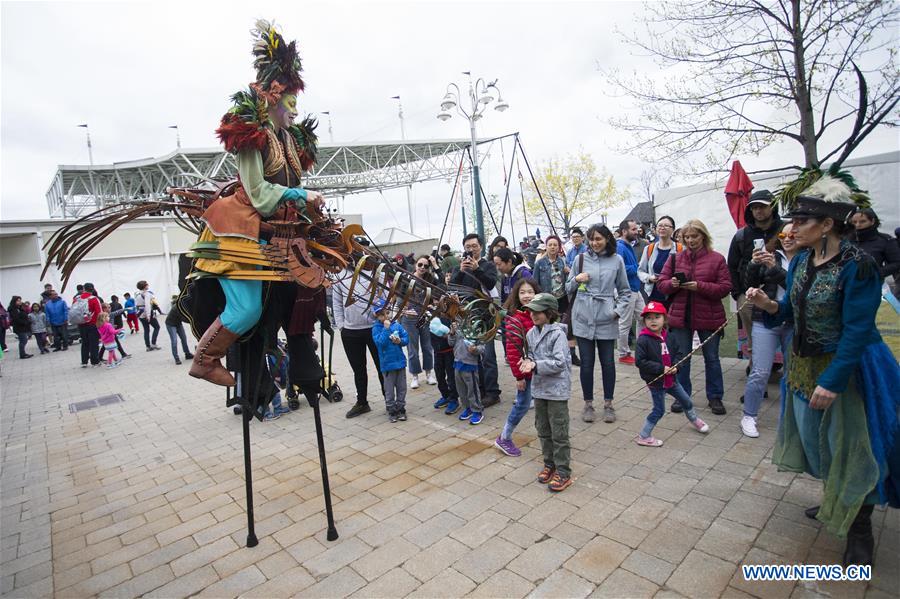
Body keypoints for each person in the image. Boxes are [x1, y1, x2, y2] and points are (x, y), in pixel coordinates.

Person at [746, 175, 900, 567]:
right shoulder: (800, 261)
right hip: (802, 368)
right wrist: (767, 303)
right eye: (792, 220)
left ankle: (860, 530)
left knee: (852, 448)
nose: (791, 228)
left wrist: (833, 382)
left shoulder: (858, 267)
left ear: (828, 224)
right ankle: (836, 496)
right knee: (820, 445)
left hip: (848, 372)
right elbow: (791, 314)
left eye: (802, 220)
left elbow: (858, 330)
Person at [185, 20, 325, 388]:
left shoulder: (290, 139)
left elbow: (292, 185)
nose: (296, 109)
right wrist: (299, 195)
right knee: (246, 310)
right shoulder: (255, 135)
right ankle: (205, 358)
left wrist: (309, 206)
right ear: (275, 96)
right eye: (292, 101)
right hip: (240, 231)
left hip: (278, 232)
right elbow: (260, 193)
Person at [656, 220, 733, 415]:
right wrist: (672, 284)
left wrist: (700, 286)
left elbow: (725, 287)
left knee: (712, 358)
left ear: (703, 236)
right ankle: (682, 396)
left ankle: (715, 397)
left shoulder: (717, 259)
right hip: (681, 317)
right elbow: (661, 284)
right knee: (682, 359)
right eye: (687, 237)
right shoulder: (675, 259)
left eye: (694, 236)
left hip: (709, 316)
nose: (690, 240)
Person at [567, 224, 631, 424]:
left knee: (608, 364)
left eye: (599, 239)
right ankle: (588, 404)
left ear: (607, 239)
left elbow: (625, 292)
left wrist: (616, 312)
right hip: (583, 317)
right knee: (586, 364)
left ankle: (608, 403)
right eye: (592, 239)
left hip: (606, 318)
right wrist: (577, 279)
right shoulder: (580, 259)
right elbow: (567, 288)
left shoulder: (617, 260)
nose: (595, 243)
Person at [738, 222, 798, 437]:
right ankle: (749, 416)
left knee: (793, 373)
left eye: (793, 234)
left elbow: (798, 288)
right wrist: (754, 264)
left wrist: (775, 269)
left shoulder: (809, 260)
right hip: (766, 320)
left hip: (794, 322)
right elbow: (750, 283)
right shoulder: (772, 254)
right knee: (760, 371)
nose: (788, 238)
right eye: (783, 234)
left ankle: (793, 417)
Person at [518, 293, 573, 492]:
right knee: (542, 428)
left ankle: (564, 471)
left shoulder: (558, 334)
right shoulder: (531, 333)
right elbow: (531, 354)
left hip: (557, 391)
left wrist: (535, 364)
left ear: (549, 312)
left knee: (559, 431)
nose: (533, 314)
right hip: (539, 389)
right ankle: (549, 464)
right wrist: (526, 361)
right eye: (531, 310)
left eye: (538, 310)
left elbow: (560, 363)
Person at [635, 301, 709, 447]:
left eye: (657, 317)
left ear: (665, 319)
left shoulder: (670, 336)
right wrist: (661, 369)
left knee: (686, 401)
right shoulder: (643, 340)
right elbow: (640, 362)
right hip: (656, 383)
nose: (653, 320)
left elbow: (680, 353)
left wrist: (676, 366)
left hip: (672, 379)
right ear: (644, 321)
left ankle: (695, 420)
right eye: (649, 318)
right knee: (658, 410)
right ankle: (644, 436)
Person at [727, 190, 784, 362]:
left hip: (781, 290)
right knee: (754, 336)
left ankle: (779, 366)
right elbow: (732, 265)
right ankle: (756, 368)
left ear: (772, 207)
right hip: (749, 293)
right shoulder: (742, 235)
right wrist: (738, 294)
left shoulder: (785, 230)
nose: (758, 211)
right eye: (754, 208)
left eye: (762, 206)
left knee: (784, 332)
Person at [451, 233, 501, 407]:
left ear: (481, 246)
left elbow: (490, 283)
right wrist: (462, 270)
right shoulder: (461, 267)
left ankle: (493, 392)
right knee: (472, 355)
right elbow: (452, 288)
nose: (471, 249)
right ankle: (479, 389)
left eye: (474, 246)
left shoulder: (487, 265)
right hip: (467, 317)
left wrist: (477, 269)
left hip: (486, 317)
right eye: (468, 247)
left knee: (487, 356)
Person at [496, 278, 541, 457]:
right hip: (525, 372)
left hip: (540, 370)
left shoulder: (539, 315)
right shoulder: (515, 319)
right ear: (516, 295)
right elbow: (513, 352)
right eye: (522, 292)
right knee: (522, 404)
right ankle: (504, 437)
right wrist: (519, 377)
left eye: (530, 291)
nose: (527, 295)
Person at [332, 268, 384, 418]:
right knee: (359, 370)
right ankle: (362, 403)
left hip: (374, 328)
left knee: (382, 366)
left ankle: (389, 400)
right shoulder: (339, 275)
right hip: (350, 332)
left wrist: (381, 319)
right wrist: (342, 326)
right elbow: (336, 303)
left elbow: (384, 296)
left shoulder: (375, 273)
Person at [534, 234, 579, 366]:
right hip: (547, 299)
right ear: (546, 247)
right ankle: (549, 354)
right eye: (550, 245)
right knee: (548, 326)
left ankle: (571, 355)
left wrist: (568, 271)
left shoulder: (562, 261)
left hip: (562, 297)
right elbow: (535, 282)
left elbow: (570, 278)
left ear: (559, 247)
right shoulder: (539, 263)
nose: (553, 247)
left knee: (567, 327)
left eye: (555, 245)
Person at [403, 257, 439, 389]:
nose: (422, 267)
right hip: (409, 319)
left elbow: (441, 287)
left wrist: (435, 265)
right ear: (415, 264)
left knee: (427, 346)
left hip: (424, 317)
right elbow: (399, 296)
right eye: (420, 264)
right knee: (412, 349)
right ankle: (415, 376)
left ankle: (429, 373)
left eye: (426, 265)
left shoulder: (430, 279)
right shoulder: (407, 278)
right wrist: (404, 310)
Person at [371, 299, 410, 423]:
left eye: (387, 312)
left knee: (402, 387)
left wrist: (400, 341)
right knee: (389, 389)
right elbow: (380, 343)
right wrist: (386, 329)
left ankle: (401, 407)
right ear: (377, 316)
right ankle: (391, 409)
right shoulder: (376, 328)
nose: (386, 316)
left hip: (400, 363)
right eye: (382, 314)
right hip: (387, 365)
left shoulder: (397, 325)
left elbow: (406, 338)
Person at [616, 219, 647, 363]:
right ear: (624, 231)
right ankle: (623, 353)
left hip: (635, 288)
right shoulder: (620, 247)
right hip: (626, 290)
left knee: (643, 317)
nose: (637, 232)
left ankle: (642, 349)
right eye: (633, 229)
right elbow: (619, 269)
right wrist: (638, 268)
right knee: (625, 323)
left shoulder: (628, 245)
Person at [638, 216, 683, 303]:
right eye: (659, 225)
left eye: (666, 225)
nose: (662, 228)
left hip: (674, 295)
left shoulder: (680, 249)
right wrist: (649, 278)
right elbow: (640, 271)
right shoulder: (649, 249)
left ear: (673, 229)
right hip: (653, 294)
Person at [448, 320, 484, 425]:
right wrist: (452, 333)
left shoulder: (477, 330)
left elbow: (482, 348)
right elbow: (451, 343)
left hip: (470, 365)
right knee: (461, 390)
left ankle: (477, 410)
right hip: (457, 363)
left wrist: (475, 349)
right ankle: (467, 408)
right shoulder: (458, 329)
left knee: (472, 390)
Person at [851, 208, 900, 283]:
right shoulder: (847, 239)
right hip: (846, 284)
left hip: (871, 284)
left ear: (872, 221)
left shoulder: (885, 240)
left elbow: (897, 262)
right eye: (854, 222)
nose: (858, 225)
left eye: (863, 221)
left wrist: (877, 273)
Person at [430, 316, 460, 415]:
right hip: (437, 351)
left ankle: (454, 399)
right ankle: (445, 396)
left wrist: (450, 334)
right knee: (439, 376)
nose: (435, 302)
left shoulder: (450, 315)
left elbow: (457, 333)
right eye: (434, 300)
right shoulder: (431, 314)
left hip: (449, 351)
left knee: (451, 377)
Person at [74, 283, 103, 367]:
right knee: (94, 343)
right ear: (92, 289)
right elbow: (99, 312)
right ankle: (95, 361)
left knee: (84, 342)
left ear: (83, 288)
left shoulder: (77, 298)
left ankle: (84, 362)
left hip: (81, 323)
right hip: (92, 324)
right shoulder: (94, 299)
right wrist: (101, 323)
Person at [165, 296, 195, 365]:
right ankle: (176, 357)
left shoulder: (183, 306)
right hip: (170, 324)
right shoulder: (177, 308)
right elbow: (185, 318)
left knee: (184, 338)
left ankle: (187, 354)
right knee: (174, 341)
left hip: (178, 323)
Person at [135, 281, 162, 351]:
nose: (148, 285)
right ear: (144, 286)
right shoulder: (147, 294)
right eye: (147, 284)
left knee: (146, 330)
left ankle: (148, 346)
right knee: (157, 327)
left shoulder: (137, 294)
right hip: (147, 313)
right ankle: (153, 343)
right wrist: (149, 315)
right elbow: (147, 305)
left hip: (140, 314)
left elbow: (137, 305)